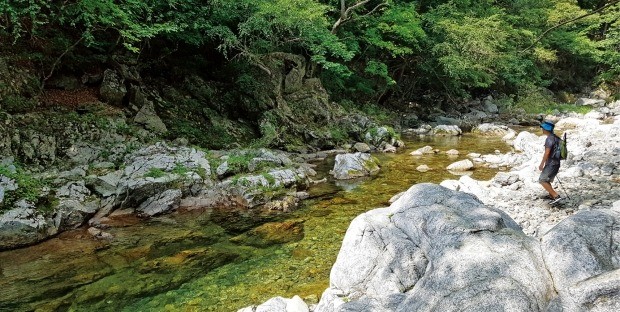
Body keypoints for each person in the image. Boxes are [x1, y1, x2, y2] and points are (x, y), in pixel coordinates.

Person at [538, 121, 562, 205]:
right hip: (556, 163)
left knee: (542, 180)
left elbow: (547, 153)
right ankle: (551, 195)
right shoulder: (556, 137)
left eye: (543, 128)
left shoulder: (549, 139)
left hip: (551, 163)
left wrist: (542, 164)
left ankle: (556, 196)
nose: (542, 129)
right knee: (546, 179)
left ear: (546, 129)